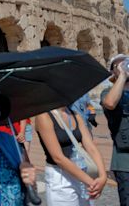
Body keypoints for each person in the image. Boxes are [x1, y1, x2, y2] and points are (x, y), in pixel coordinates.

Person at [36, 105, 107, 205]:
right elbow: (58, 157)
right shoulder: (44, 116)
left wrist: (103, 176)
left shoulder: (75, 114)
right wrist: (91, 182)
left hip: (82, 172)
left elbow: (91, 147)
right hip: (60, 177)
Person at [101, 53, 129, 205]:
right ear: (113, 71)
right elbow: (110, 103)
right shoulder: (107, 93)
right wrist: (122, 76)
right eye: (119, 65)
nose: (124, 66)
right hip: (125, 163)